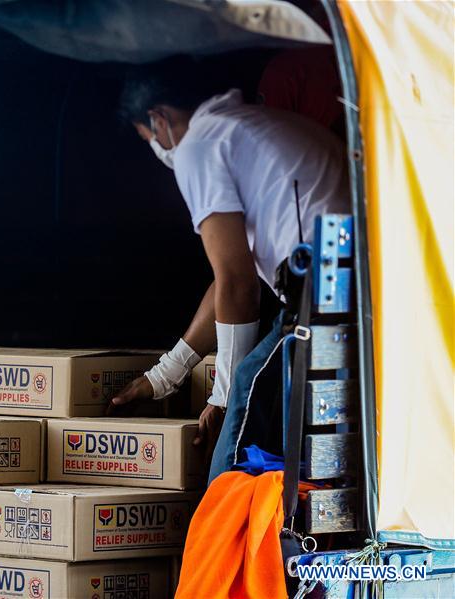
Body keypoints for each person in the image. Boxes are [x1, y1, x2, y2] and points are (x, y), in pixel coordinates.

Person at [109, 56, 348, 484]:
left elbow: (238, 284)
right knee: (257, 396)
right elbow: (229, 278)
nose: (156, 149)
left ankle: (214, 546)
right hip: (342, 278)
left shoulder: (198, 146)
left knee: (242, 404)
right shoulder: (243, 128)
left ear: (159, 120)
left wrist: (220, 397)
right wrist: (165, 376)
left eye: (148, 138)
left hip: (327, 284)